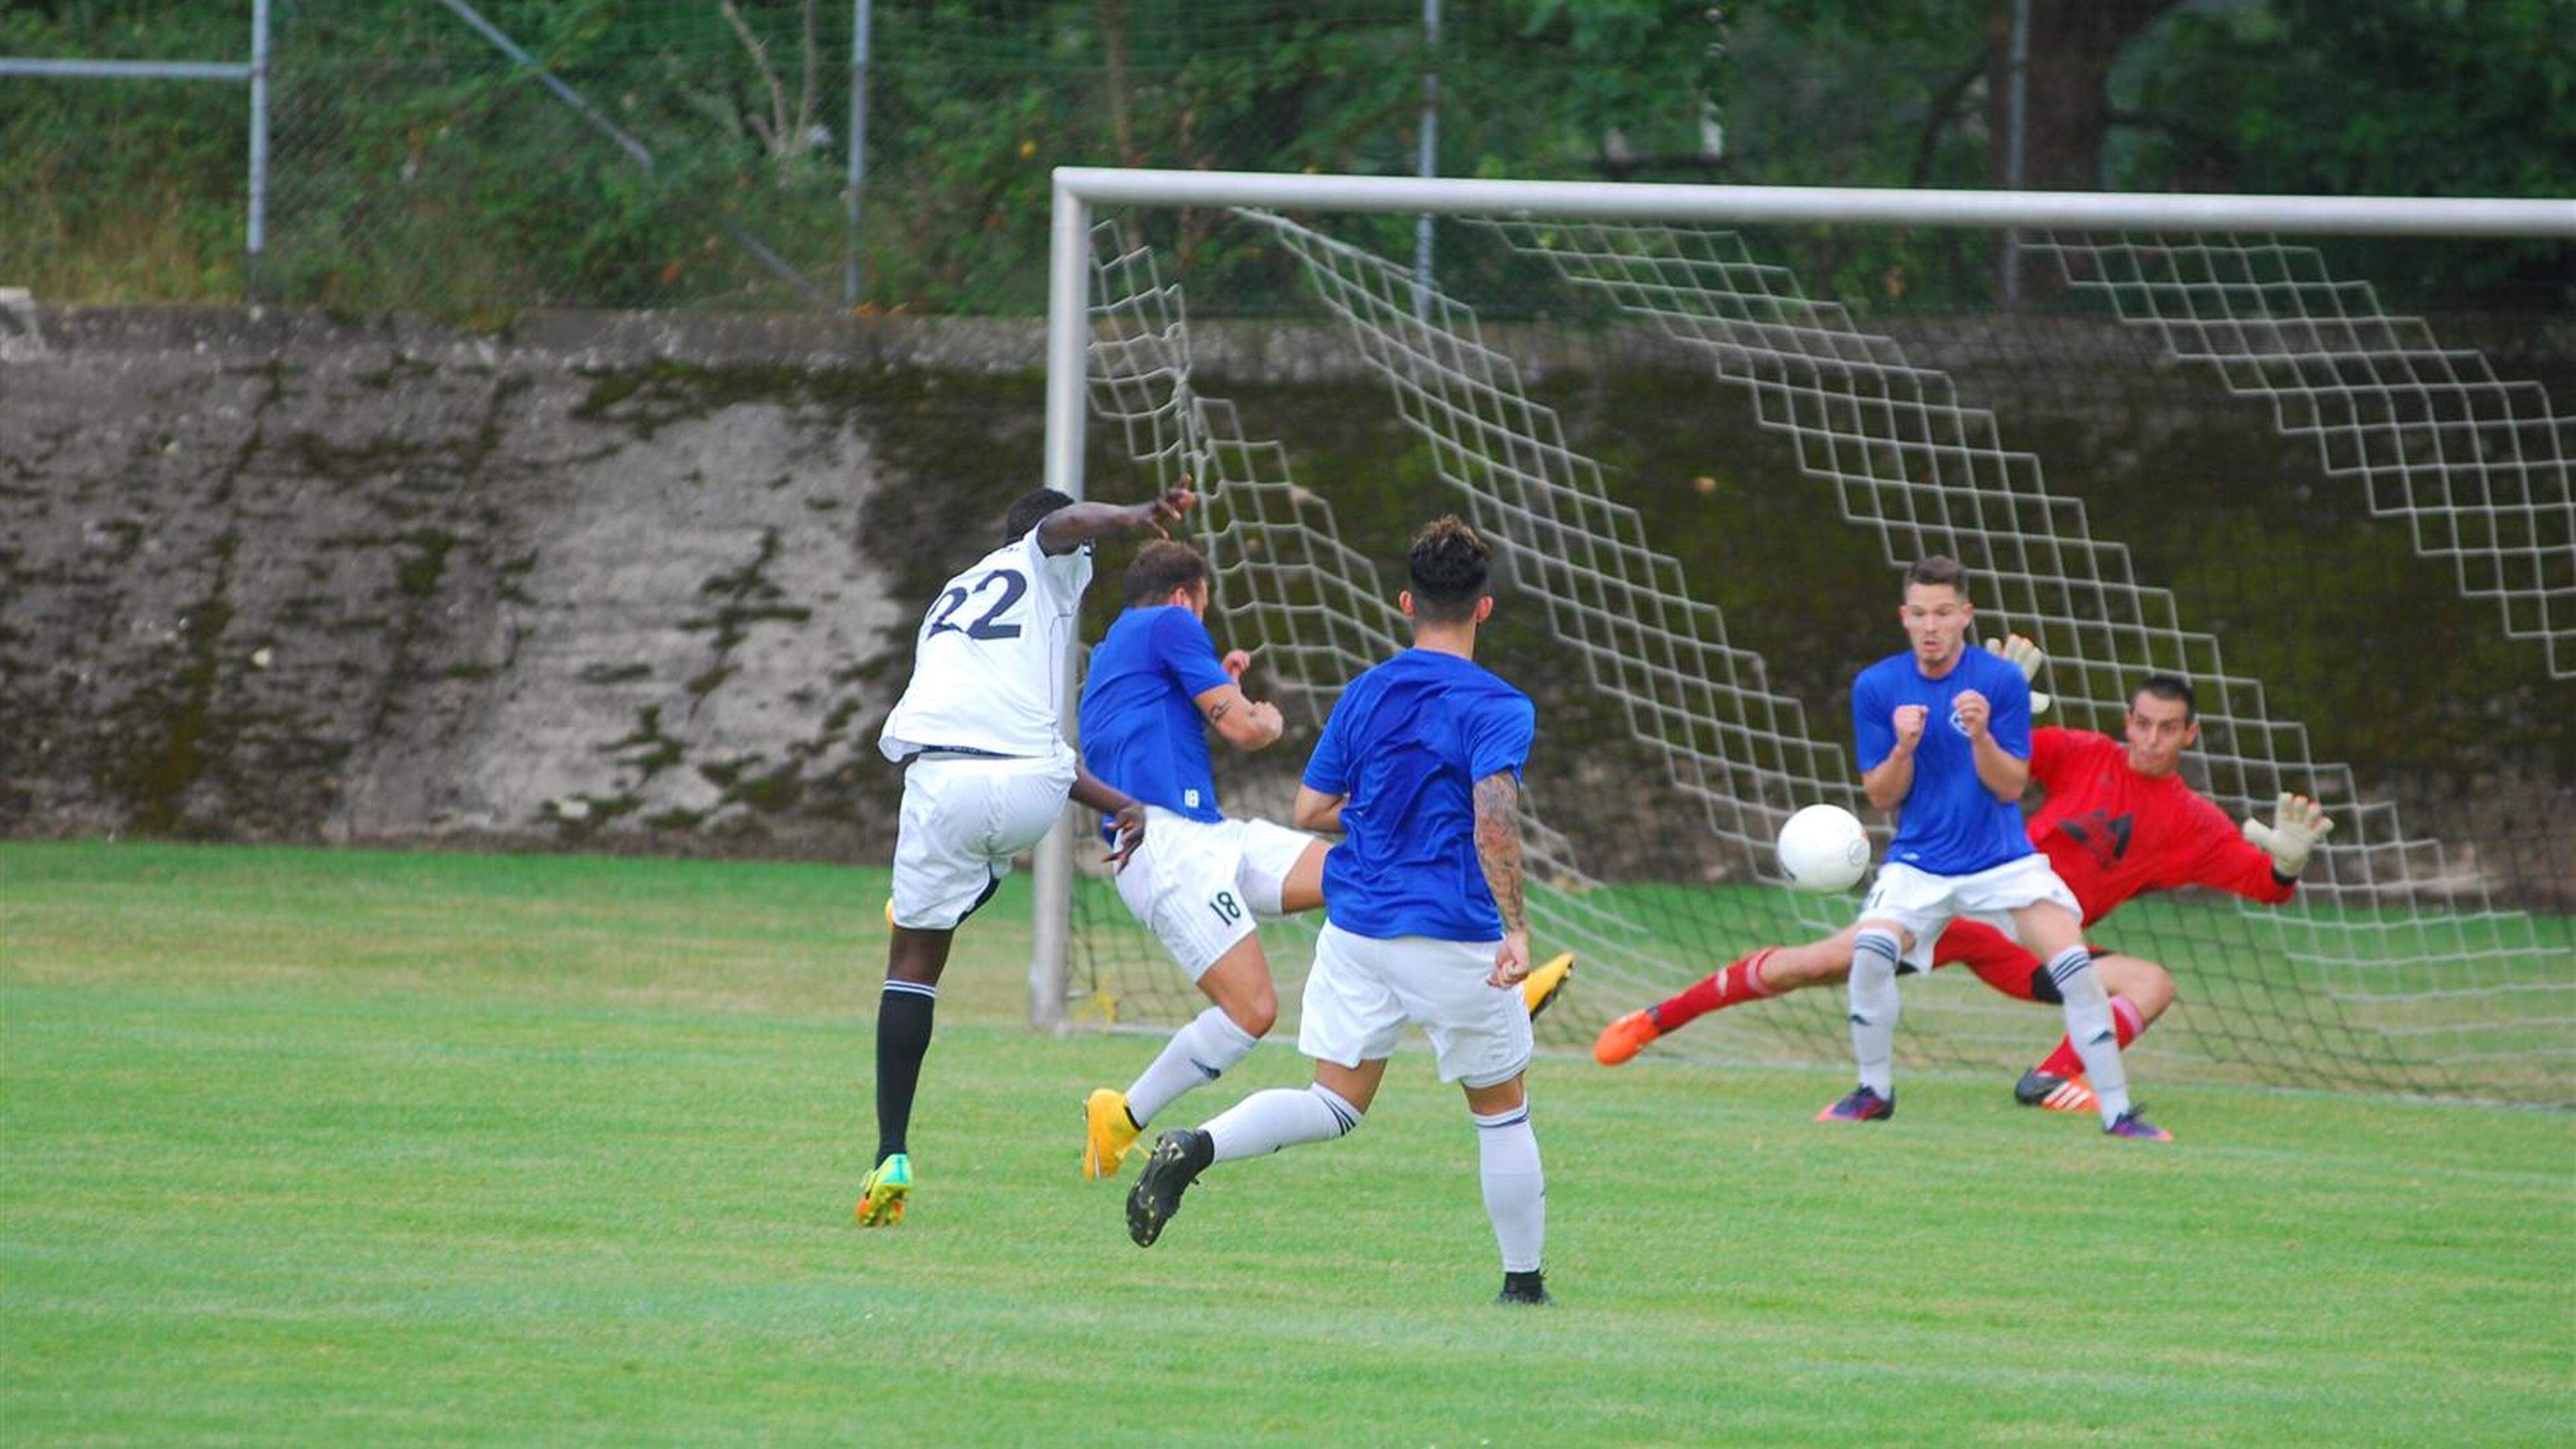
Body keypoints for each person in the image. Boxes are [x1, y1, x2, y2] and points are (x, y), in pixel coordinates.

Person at [1121, 517, 1555, 1306]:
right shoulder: (1501, 705)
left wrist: (1382, 817)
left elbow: (1312, 805)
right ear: (1484, 608)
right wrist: (1517, 929)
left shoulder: (1366, 693)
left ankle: (1198, 1143)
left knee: (1333, 1102)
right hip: (1454, 932)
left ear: (1404, 603)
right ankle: (1523, 1288)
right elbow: (1494, 819)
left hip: (1356, 930)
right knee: (1501, 1110)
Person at [1593, 672, 2337, 1117]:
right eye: (2140, 723)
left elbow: (2264, 889)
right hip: (1962, 903)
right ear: (2127, 723)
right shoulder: (2082, 752)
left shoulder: (2193, 822)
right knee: (1814, 964)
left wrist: (2290, 862)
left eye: (2166, 729)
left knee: (2153, 982)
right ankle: (1656, 1020)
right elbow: (1979, 760)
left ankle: (2051, 1078)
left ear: (2190, 735)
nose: (2149, 739)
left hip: (2040, 948)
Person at [857, 482, 1194, 1228]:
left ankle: (891, 1154)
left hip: (941, 781)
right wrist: (1130, 516)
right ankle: (968, 886)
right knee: (986, 853)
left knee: (911, 959)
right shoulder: (1046, 558)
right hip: (1034, 787)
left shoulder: (952, 600)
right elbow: (1062, 525)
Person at [1799, 556, 2165, 1139]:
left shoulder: (1999, 682)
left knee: (2074, 968)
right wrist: (1903, 747)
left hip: (2003, 863)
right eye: (1919, 613)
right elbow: (1881, 795)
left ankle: (2118, 1113)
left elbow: (2011, 785)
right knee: (1869, 954)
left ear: (1965, 616)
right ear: (1904, 617)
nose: (1931, 626)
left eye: (1943, 613)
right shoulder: (1877, 686)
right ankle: (1875, 1091)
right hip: (1919, 863)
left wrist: (1982, 734)